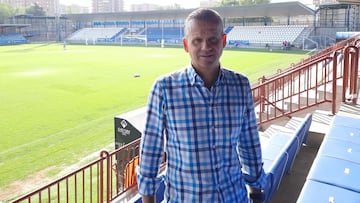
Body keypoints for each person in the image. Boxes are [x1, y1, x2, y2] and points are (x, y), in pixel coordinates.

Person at [137, 8, 266, 203]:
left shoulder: (240, 85)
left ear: (223, 41)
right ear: (186, 45)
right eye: (197, 40)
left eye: (213, 39)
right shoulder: (164, 89)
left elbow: (250, 145)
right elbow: (151, 151)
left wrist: (256, 193)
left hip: (234, 198)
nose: (206, 47)